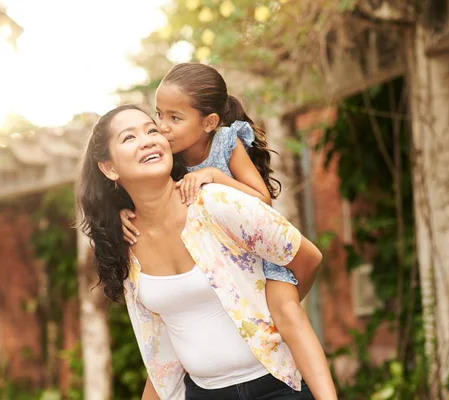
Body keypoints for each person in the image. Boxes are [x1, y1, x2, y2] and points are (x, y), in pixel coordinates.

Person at [77, 104, 330, 399]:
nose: (147, 139)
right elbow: (162, 353)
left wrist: (271, 313)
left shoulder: (218, 203)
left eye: (151, 130)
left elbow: (308, 260)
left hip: (277, 387)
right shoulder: (126, 242)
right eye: (129, 137)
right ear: (109, 168)